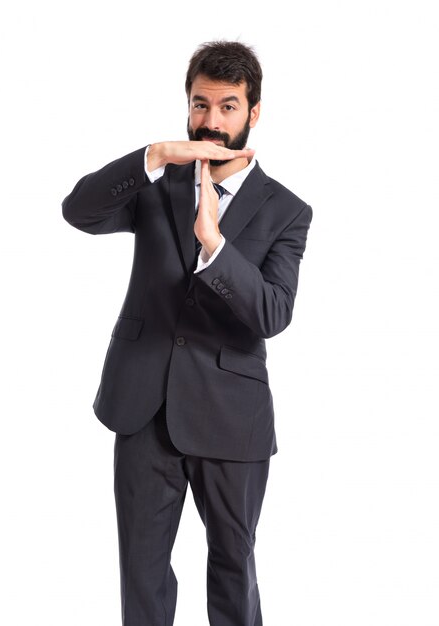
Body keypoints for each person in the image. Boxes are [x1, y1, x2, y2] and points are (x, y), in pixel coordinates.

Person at [62, 40, 312, 626]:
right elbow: (80, 211)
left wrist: (215, 246)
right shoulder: (155, 183)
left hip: (233, 417)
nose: (212, 121)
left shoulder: (288, 211)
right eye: (201, 105)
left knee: (233, 567)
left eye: (228, 106)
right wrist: (155, 155)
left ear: (254, 113)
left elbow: (273, 312)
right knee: (142, 575)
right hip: (144, 406)